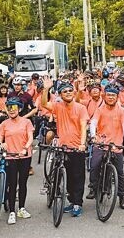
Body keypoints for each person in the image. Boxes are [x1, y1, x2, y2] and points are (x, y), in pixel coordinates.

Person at [41, 77, 89, 217]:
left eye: (70, 91)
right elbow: (44, 104)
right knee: (66, 176)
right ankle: (70, 201)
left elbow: (83, 126)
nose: (68, 93)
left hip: (76, 148)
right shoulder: (58, 106)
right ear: (60, 95)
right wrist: (46, 89)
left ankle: (77, 203)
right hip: (63, 148)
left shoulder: (80, 108)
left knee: (78, 176)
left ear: (73, 93)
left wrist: (82, 144)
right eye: (64, 91)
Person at [87, 83, 124, 209]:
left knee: (120, 172)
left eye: (113, 95)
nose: (111, 97)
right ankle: (93, 188)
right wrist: (93, 135)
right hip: (101, 143)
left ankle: (122, 196)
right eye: (109, 95)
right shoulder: (100, 109)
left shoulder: (121, 111)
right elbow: (93, 123)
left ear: (117, 97)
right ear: (104, 96)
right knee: (94, 165)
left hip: (116, 145)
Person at [0, 97, 34, 225]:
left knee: (22, 182)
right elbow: (0, 136)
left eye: (13, 107)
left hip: (24, 156)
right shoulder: (4, 124)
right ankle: (12, 212)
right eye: (9, 108)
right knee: (12, 183)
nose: (11, 110)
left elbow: (30, 137)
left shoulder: (27, 122)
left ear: (19, 108)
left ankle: (21, 208)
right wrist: (1, 143)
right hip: (10, 156)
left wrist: (25, 149)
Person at [8, 76, 37, 175]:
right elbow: (7, 106)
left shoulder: (27, 96)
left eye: (19, 85)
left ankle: (28, 166)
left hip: (25, 122)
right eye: (15, 85)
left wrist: (25, 117)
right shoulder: (10, 95)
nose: (17, 87)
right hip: (13, 122)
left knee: (27, 143)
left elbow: (34, 108)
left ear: (22, 86)